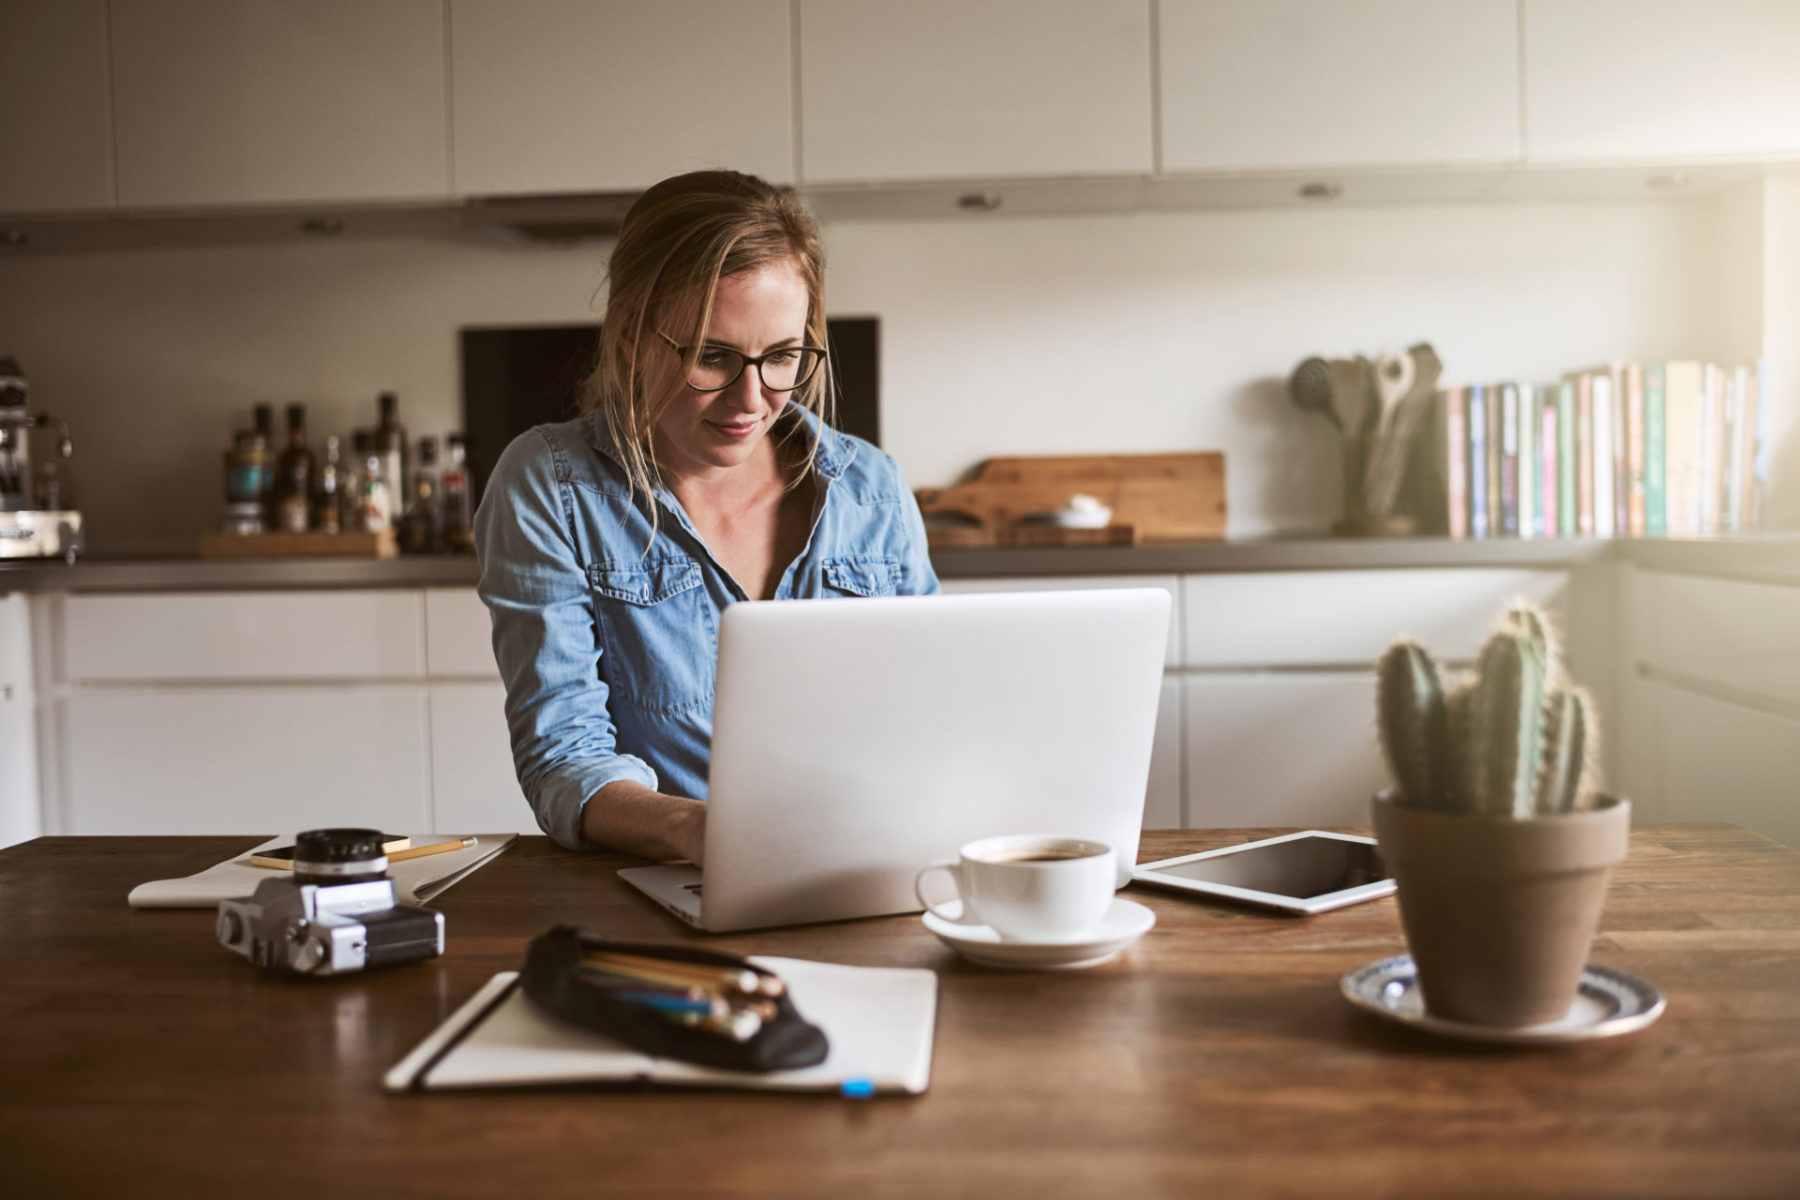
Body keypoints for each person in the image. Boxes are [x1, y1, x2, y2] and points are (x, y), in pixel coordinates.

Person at [474, 170, 939, 864]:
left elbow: (931, 713)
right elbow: (564, 756)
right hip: (663, 892)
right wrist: (702, 833)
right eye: (711, 357)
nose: (751, 398)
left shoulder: (872, 488)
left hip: (865, 869)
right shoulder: (550, 485)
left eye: (782, 356)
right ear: (631, 336)